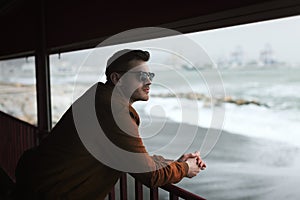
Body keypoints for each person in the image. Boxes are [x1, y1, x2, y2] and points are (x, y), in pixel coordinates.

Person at [15, 49, 206, 199]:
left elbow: (134, 158)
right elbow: (149, 175)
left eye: (150, 76)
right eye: (141, 76)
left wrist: (175, 163)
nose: (149, 82)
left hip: (37, 184)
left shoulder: (101, 98)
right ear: (116, 79)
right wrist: (185, 169)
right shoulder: (113, 110)